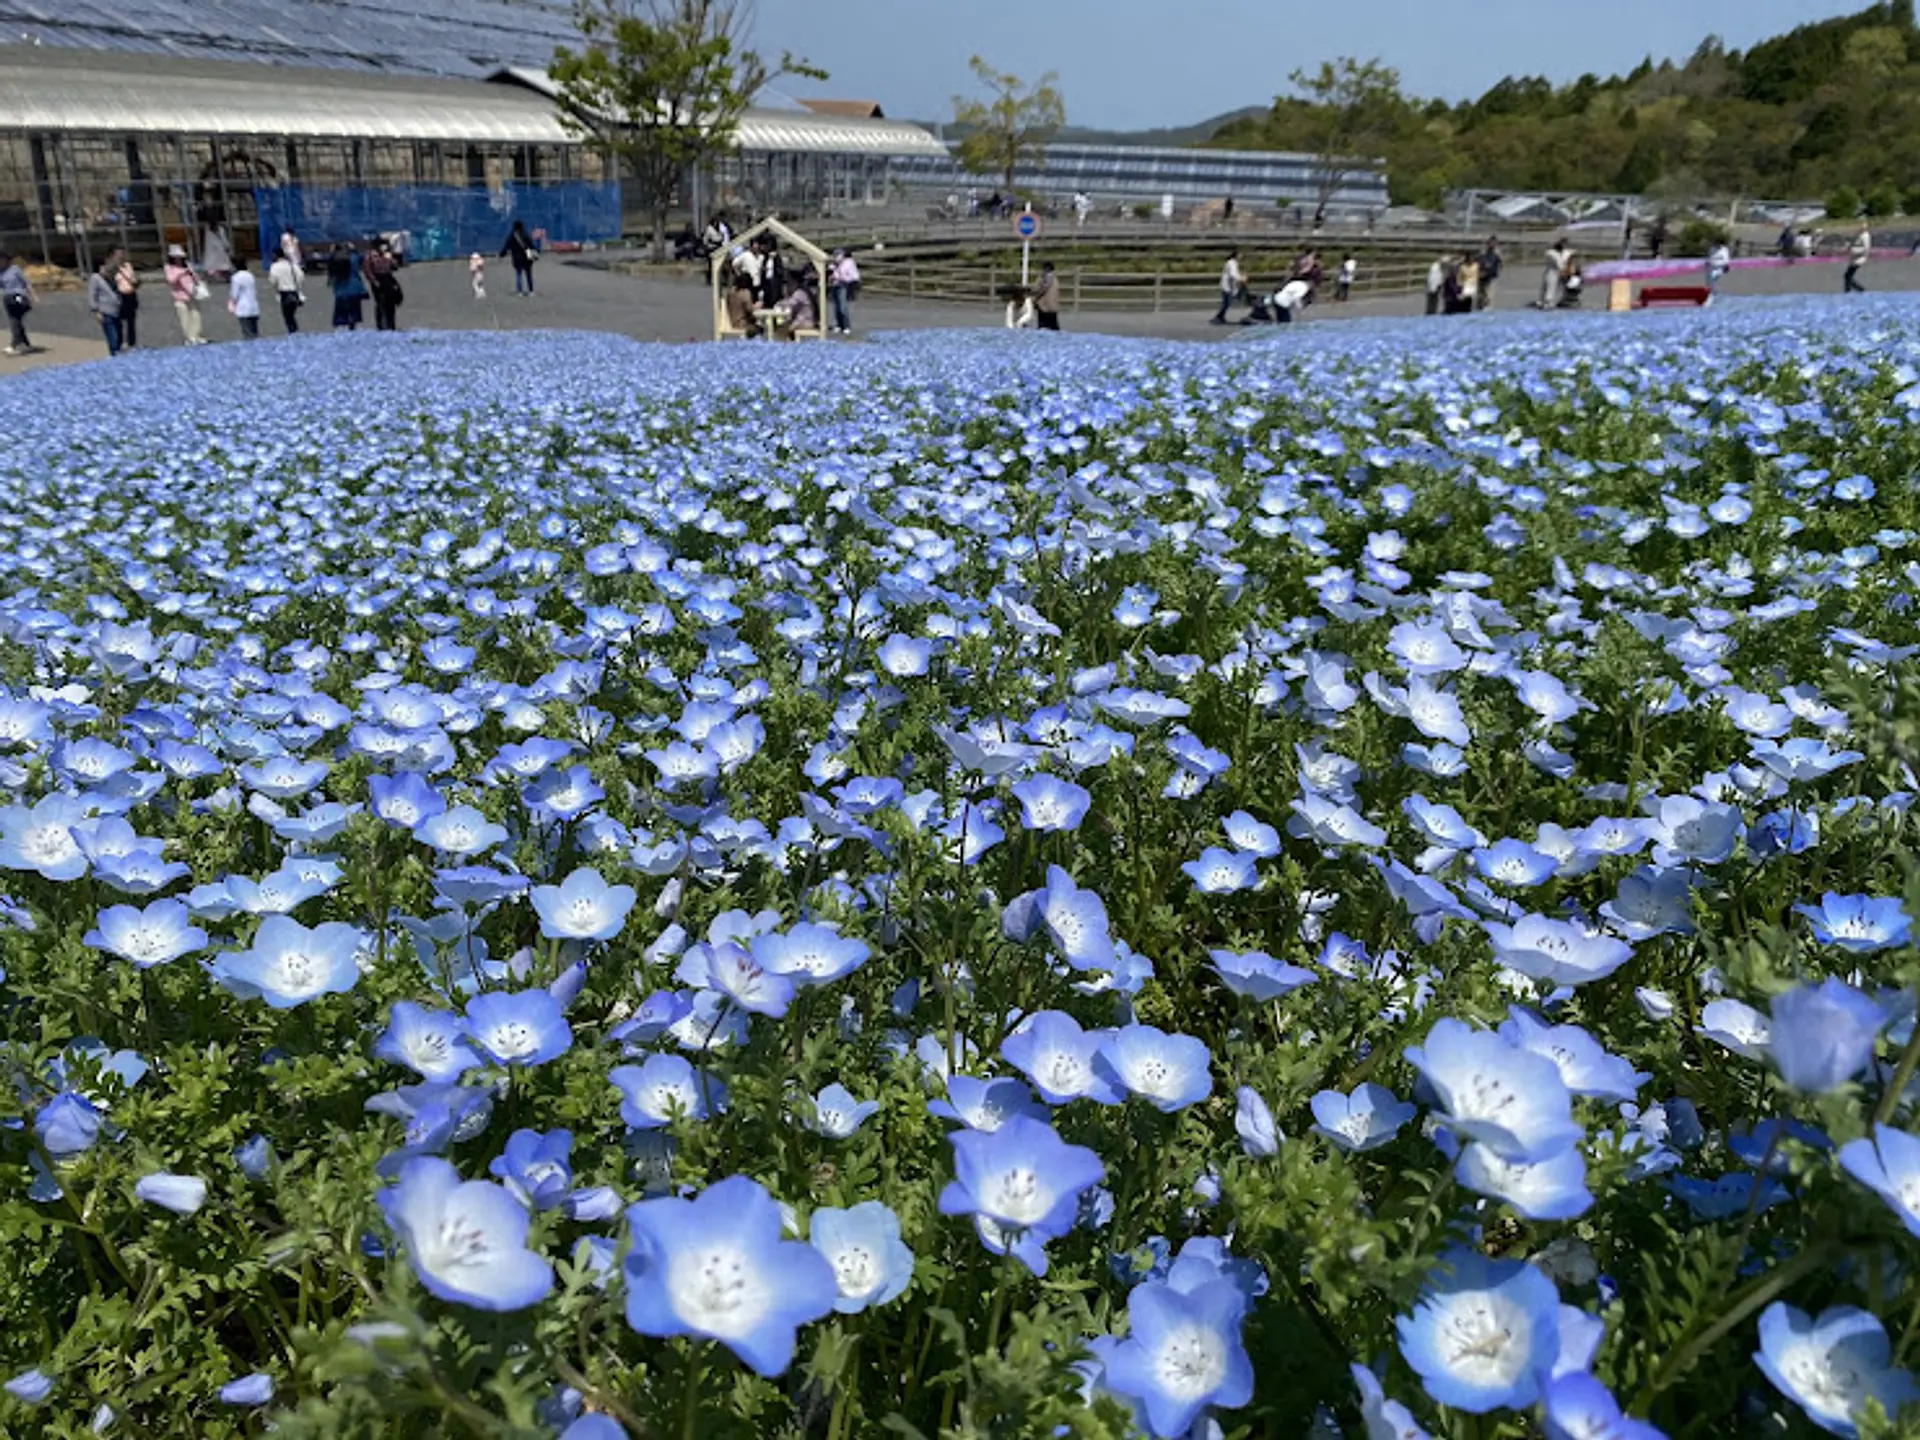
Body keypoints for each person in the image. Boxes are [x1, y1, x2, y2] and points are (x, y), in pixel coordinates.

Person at [164, 244, 206, 345]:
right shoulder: (169, 267)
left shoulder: (187, 265)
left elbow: (194, 276)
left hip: (191, 294)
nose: (178, 259)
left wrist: (197, 282)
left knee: (196, 315)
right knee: (184, 317)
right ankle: (189, 337)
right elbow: (171, 280)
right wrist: (181, 273)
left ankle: (197, 335)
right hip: (180, 296)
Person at [88, 252, 124, 356]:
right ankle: (114, 356)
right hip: (105, 312)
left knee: (119, 338)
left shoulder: (115, 276)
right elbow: (92, 295)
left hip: (116, 311)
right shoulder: (96, 278)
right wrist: (96, 311)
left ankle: (117, 355)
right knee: (113, 338)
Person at [327, 243, 366, 330]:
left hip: (340, 289)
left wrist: (332, 252)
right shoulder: (354, 258)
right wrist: (354, 249)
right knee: (354, 312)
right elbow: (362, 258)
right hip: (355, 287)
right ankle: (353, 327)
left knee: (341, 313)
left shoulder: (334, 259)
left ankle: (342, 328)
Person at [366, 240, 401, 331]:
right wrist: (374, 281)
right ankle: (380, 325)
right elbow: (367, 269)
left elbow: (395, 267)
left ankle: (391, 324)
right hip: (378, 278)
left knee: (391, 302)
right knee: (381, 302)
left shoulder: (387, 255)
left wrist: (390, 259)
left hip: (388, 278)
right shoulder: (371, 255)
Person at [0, 251, 31, 355]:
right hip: (7, 297)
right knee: (15, 319)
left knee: (15, 317)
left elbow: (26, 282)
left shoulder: (15, 269)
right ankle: (24, 343)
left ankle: (15, 344)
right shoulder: (1, 273)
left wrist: (33, 294)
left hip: (18, 295)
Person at [269, 247, 303, 333]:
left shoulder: (274, 267)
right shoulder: (292, 265)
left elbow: (273, 280)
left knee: (288, 316)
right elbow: (300, 276)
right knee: (291, 315)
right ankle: (294, 331)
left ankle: (293, 332)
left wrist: (276, 288)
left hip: (284, 293)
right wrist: (298, 286)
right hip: (294, 292)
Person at [827, 247, 859, 335]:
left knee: (843, 306)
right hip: (835, 285)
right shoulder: (834, 264)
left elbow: (851, 276)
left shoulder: (848, 263)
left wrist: (838, 276)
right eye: (835, 255)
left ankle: (846, 325)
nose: (836, 257)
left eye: (838, 255)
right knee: (836, 307)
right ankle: (839, 324)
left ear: (843, 255)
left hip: (844, 285)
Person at [501, 219, 537, 296]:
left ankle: (520, 291)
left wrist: (502, 254)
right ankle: (531, 290)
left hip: (517, 257)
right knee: (529, 275)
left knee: (519, 274)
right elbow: (531, 245)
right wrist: (535, 251)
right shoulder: (526, 234)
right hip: (527, 257)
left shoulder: (512, 236)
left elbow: (507, 246)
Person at [227, 255, 260, 339]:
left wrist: (231, 303)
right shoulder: (250, 275)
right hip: (253, 306)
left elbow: (234, 294)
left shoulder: (236, 277)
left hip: (243, 307)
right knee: (254, 331)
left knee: (247, 333)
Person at [113, 252, 141, 350]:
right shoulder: (113, 269)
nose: (121, 257)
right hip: (120, 295)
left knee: (131, 320)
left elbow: (133, 278)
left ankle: (131, 342)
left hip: (130, 294)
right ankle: (119, 341)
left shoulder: (128, 266)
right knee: (119, 320)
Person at [1538, 238, 1571, 309]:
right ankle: (1546, 302)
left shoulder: (1564, 253)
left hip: (1558, 272)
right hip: (1552, 271)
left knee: (1555, 287)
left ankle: (1547, 302)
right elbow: (1558, 264)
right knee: (1550, 286)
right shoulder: (1551, 253)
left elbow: (1565, 263)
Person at [1213, 250, 1244, 324]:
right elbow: (1233, 274)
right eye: (1240, 255)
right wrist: (1241, 278)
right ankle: (1219, 317)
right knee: (1226, 303)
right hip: (1227, 285)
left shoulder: (1232, 263)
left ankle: (1220, 317)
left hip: (1228, 285)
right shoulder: (1232, 263)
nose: (1241, 257)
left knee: (1226, 303)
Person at [726, 270, 756, 334]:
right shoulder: (745, 293)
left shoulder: (731, 292)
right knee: (761, 328)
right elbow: (749, 309)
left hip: (731, 321)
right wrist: (755, 306)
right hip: (742, 322)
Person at [1033, 261, 1061, 331]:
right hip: (1049, 306)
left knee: (1047, 324)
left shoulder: (1048, 277)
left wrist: (1036, 297)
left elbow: (1044, 288)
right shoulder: (1053, 278)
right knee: (1052, 324)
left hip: (1047, 306)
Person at [1477, 237, 1502, 311]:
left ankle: (1487, 307)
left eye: (1494, 243)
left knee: (1489, 294)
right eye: (1490, 243)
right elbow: (1480, 262)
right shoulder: (1484, 252)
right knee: (1481, 294)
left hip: (1491, 276)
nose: (1492, 245)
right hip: (1482, 276)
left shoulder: (1496, 254)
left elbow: (1500, 264)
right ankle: (1480, 307)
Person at [1846, 225, 1871, 293]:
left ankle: (1860, 289)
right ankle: (1849, 290)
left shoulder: (1865, 236)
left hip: (1859, 259)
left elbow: (1866, 249)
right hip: (1855, 259)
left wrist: (1853, 250)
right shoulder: (1861, 235)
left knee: (1847, 276)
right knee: (1847, 276)